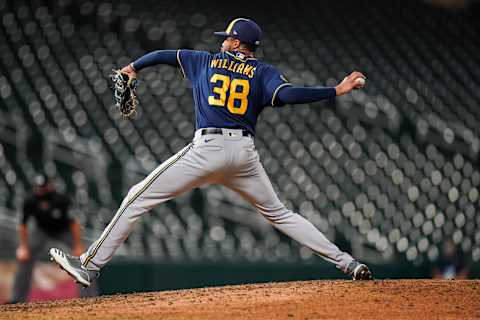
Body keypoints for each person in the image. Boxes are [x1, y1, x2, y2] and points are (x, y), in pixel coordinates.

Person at [49, 18, 373, 286]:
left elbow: (163, 55)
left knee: (138, 196)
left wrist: (132, 68)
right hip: (244, 155)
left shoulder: (204, 60)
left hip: (208, 148)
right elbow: (289, 95)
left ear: (235, 42)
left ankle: (89, 265)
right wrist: (337, 89)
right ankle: (348, 264)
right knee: (281, 214)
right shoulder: (264, 73)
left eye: (226, 38)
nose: (222, 43)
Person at [9, 174, 96, 303]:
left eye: (44, 187)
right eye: (39, 188)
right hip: (42, 230)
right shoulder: (30, 201)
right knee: (24, 258)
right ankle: (17, 300)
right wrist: (23, 247)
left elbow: (74, 224)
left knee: (84, 258)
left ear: (50, 186)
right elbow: (23, 225)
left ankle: (89, 298)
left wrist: (78, 245)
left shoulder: (61, 199)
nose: (41, 190)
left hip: (63, 230)